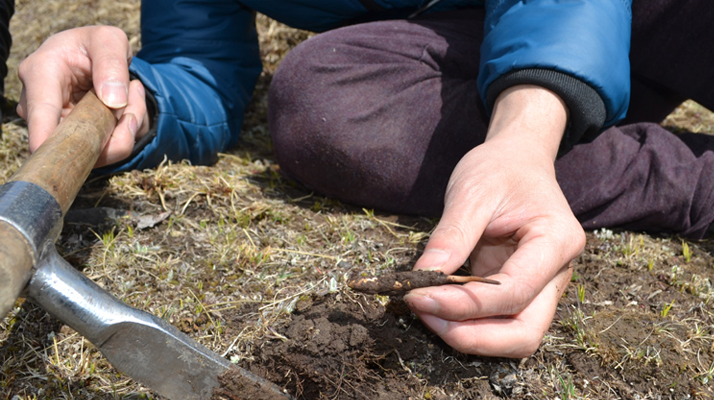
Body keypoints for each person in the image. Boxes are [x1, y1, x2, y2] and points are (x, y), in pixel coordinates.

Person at [16, 0, 714, 358]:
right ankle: (690, 180)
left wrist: (524, 134)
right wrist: (143, 104)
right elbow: (201, 62)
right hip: (458, 41)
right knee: (321, 101)